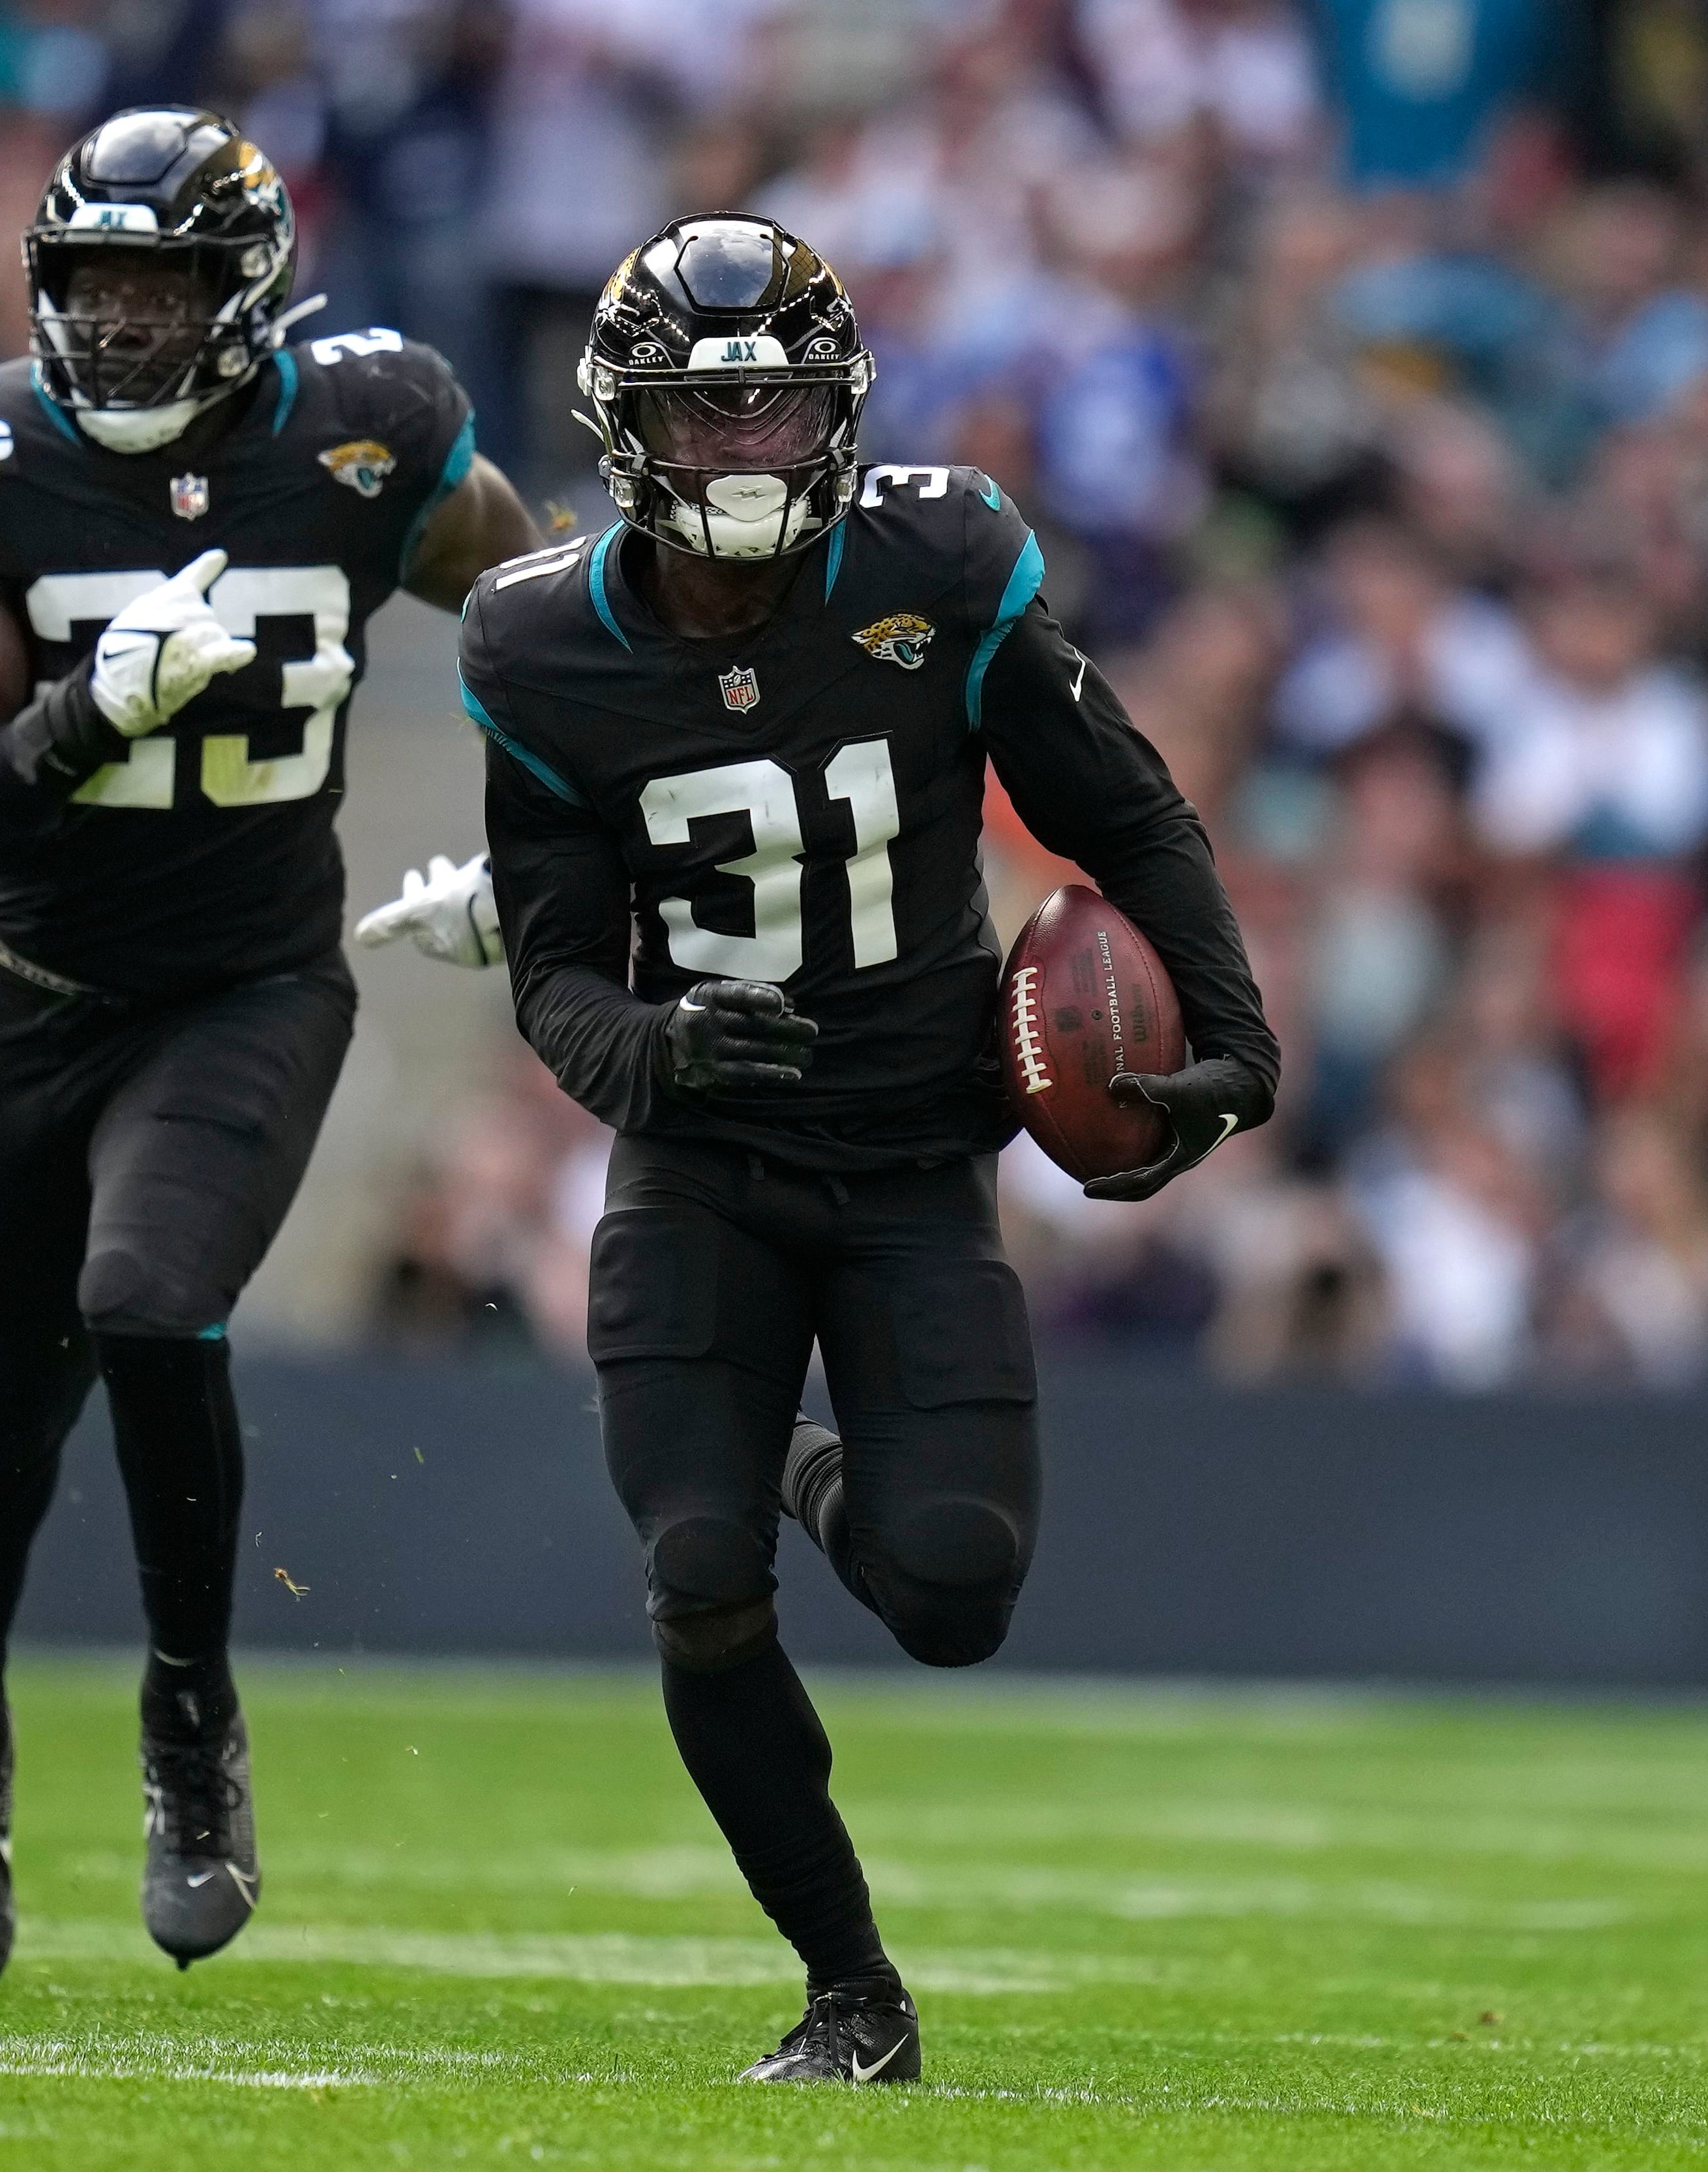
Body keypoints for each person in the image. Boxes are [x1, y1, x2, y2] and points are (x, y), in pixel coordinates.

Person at [463, 216, 1277, 2082]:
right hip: (704, 1160)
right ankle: (853, 1992)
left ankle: (811, 1465)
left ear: (834, 414)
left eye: (775, 411)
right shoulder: (538, 642)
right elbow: (556, 976)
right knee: (695, 1569)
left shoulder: (941, 559)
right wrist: (662, 1051)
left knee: (952, 1591)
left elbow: (1126, 818)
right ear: (627, 427)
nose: (745, 449)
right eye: (703, 411)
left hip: (918, 1149)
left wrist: (1235, 1043)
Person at [0, 106, 537, 1984]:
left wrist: (562, 842)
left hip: (248, 983)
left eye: (168, 284)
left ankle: (187, 1719)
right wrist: (80, 722)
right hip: (39, 990)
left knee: (151, 1295)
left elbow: (553, 616)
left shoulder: (364, 428)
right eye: (99, 283)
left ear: (250, 295)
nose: (132, 323)